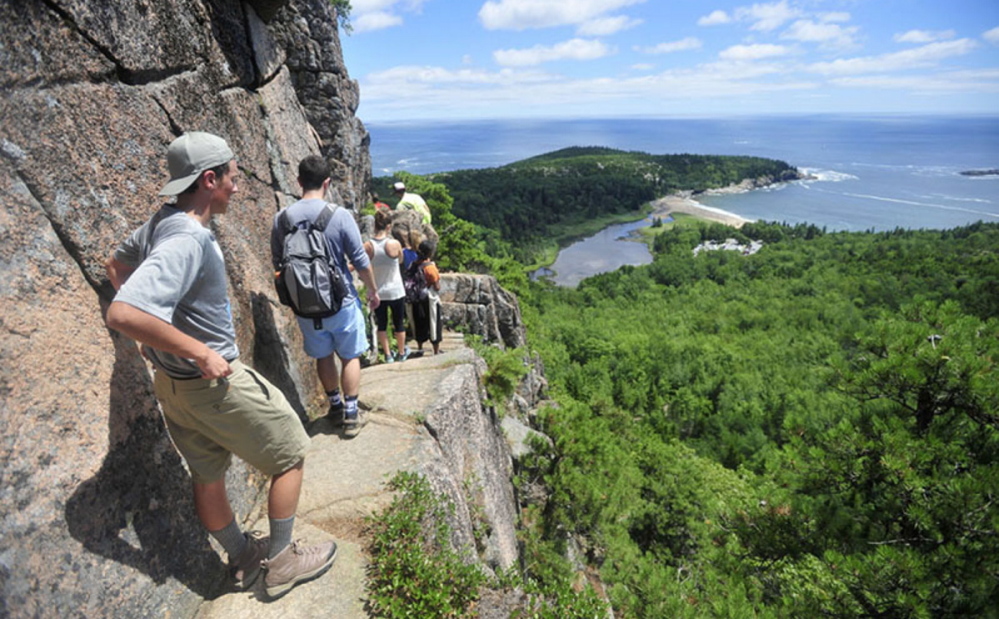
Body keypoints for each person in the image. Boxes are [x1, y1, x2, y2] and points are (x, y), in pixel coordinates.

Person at [105, 132, 336, 599]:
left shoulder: (162, 221)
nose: (238, 186)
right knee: (291, 453)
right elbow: (124, 312)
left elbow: (116, 267)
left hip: (174, 388)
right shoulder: (189, 237)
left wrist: (158, 343)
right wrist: (199, 350)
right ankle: (282, 561)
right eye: (232, 176)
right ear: (209, 179)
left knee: (208, 476)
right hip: (214, 384)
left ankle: (244, 555)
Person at [270, 155, 380, 438]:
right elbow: (360, 260)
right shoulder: (339, 215)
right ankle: (351, 414)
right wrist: (372, 290)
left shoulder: (281, 219)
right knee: (350, 355)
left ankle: (334, 406)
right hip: (340, 300)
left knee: (323, 355)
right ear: (327, 183)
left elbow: (278, 263)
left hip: (305, 306)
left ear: (298, 182)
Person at [364, 210, 409, 363]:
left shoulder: (368, 246)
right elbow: (402, 260)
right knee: (399, 323)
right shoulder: (395, 244)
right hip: (396, 290)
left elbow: (363, 264)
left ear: (375, 226)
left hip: (378, 291)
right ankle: (402, 353)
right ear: (389, 227)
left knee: (381, 324)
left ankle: (388, 355)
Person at [410, 239, 443, 355]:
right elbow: (437, 286)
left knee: (419, 322)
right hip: (429, 298)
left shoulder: (414, 264)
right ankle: (436, 350)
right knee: (434, 322)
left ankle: (420, 347)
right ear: (430, 253)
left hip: (416, 298)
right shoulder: (430, 268)